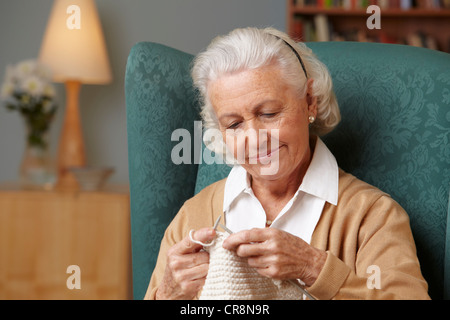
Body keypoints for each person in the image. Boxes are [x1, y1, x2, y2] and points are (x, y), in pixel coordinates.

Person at [144, 27, 430, 300]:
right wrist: (168, 293)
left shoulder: (372, 216)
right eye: (233, 124)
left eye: (268, 113)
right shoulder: (193, 215)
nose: (254, 140)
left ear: (310, 102)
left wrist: (313, 267)